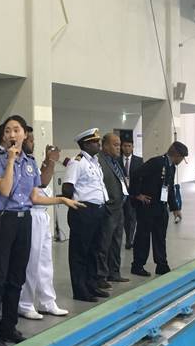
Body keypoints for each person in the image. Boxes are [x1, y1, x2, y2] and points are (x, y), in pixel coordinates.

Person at [0, 115, 84, 346]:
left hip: (23, 220)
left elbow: (35, 196)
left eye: (16, 130)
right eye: (7, 131)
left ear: (24, 134)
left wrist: (61, 200)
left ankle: (9, 328)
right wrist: (10, 160)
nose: (12, 134)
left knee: (17, 276)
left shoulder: (29, 161)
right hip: (3, 220)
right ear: (3, 136)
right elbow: (4, 190)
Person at [18, 128, 69, 320]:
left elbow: (42, 179)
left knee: (45, 262)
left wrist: (49, 160)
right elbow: (41, 184)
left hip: (42, 216)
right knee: (31, 262)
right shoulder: (18, 161)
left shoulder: (31, 161)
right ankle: (25, 303)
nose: (32, 143)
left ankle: (47, 301)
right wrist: (50, 161)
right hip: (30, 214)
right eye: (30, 139)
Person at [62, 128, 110, 303]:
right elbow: (67, 188)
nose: (98, 144)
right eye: (95, 142)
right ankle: (80, 290)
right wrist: (76, 206)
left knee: (94, 251)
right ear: (86, 144)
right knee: (80, 253)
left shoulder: (95, 162)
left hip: (98, 210)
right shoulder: (77, 162)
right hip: (84, 211)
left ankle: (91, 284)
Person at [129, 141, 188, 276]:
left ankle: (161, 265)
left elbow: (170, 188)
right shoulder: (156, 162)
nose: (181, 161)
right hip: (147, 206)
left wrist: (175, 208)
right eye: (182, 158)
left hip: (161, 207)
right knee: (143, 237)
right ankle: (137, 265)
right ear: (176, 155)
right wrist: (137, 194)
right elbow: (135, 174)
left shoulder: (171, 167)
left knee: (160, 237)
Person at [97, 134, 129, 285]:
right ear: (105, 146)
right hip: (108, 209)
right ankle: (101, 276)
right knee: (104, 244)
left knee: (117, 243)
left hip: (119, 208)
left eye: (119, 145)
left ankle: (114, 272)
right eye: (115, 145)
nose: (119, 148)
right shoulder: (99, 161)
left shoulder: (115, 161)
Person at [118, 138, 143, 249]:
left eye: (129, 146)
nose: (127, 148)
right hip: (120, 193)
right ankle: (123, 239)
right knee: (121, 218)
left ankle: (129, 240)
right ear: (122, 147)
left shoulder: (139, 160)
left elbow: (142, 178)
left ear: (133, 147)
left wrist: (139, 193)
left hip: (133, 193)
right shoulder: (117, 160)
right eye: (125, 146)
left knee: (131, 217)